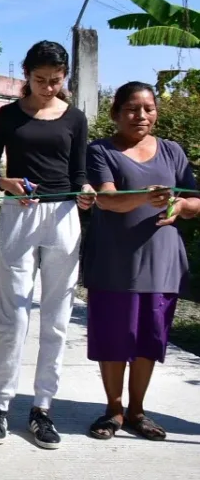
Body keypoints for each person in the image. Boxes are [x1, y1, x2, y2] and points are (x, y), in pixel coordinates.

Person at [0, 41, 95, 449]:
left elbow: (80, 171)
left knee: (57, 315)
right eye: (40, 80)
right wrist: (7, 183)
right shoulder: (8, 116)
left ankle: (43, 407)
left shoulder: (75, 118)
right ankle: (0, 405)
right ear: (26, 74)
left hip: (63, 216)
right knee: (13, 315)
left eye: (56, 81)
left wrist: (85, 191)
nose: (48, 88)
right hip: (20, 214)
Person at [83, 81, 197, 442]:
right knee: (115, 337)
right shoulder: (100, 151)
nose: (141, 115)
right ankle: (113, 410)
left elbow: (195, 200)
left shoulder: (172, 152)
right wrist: (144, 198)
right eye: (132, 108)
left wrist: (180, 206)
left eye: (148, 108)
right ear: (116, 113)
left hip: (162, 261)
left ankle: (137, 411)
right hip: (115, 261)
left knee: (150, 337)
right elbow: (107, 200)